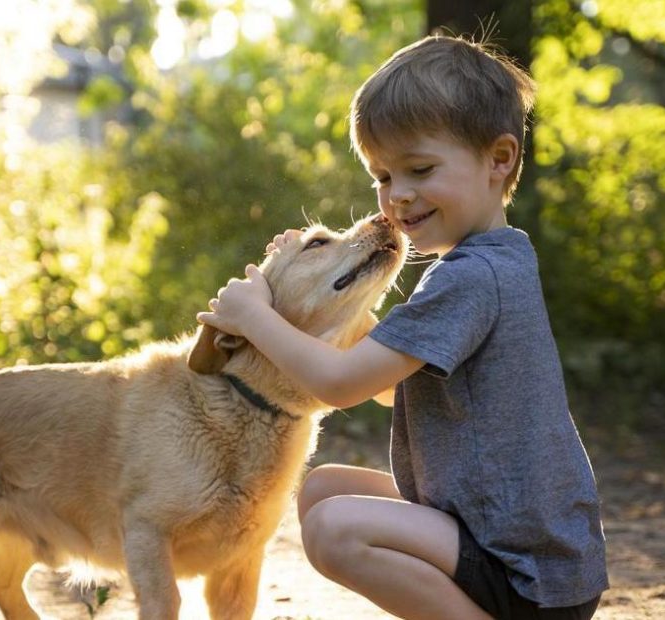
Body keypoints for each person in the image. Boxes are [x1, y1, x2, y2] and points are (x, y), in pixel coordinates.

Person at [197, 34, 608, 620]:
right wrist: (313, 283)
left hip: (526, 573)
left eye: (419, 169)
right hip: (515, 543)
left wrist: (255, 317)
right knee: (322, 490)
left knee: (336, 529)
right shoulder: (491, 261)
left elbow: (341, 386)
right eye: (383, 176)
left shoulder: (471, 277)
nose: (398, 196)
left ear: (500, 159)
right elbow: (397, 388)